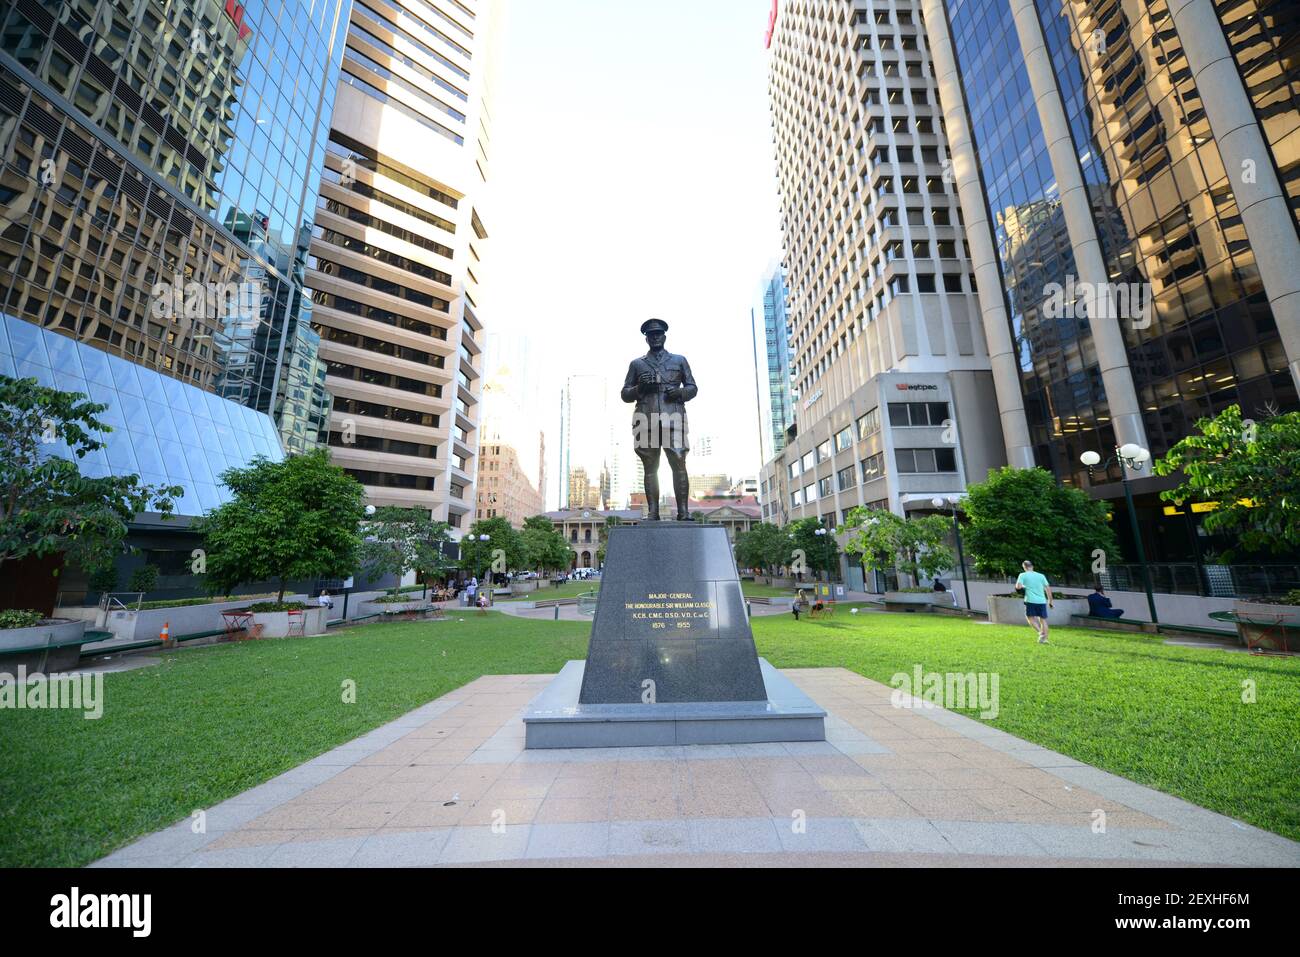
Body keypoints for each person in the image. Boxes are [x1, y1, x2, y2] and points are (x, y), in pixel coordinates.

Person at [1014, 560, 1054, 644]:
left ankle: (1040, 632)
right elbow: (1048, 589)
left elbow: (1018, 587)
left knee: (1030, 618)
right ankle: (1045, 639)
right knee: (1043, 620)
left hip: (1030, 600)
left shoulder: (1022, 575)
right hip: (1042, 601)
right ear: (1032, 566)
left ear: (1024, 567)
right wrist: (1050, 601)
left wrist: (1024, 586)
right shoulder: (1041, 576)